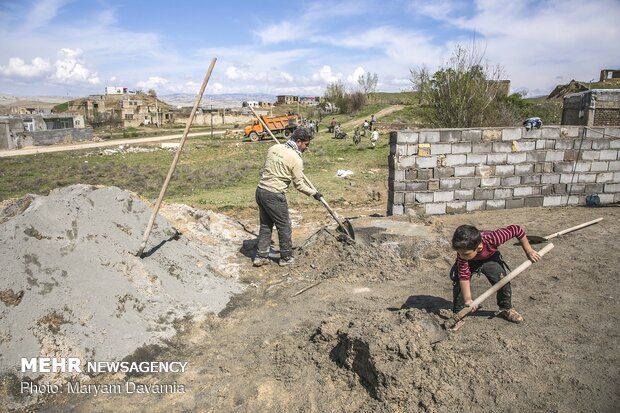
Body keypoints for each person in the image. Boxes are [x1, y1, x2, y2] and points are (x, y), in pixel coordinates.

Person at [448, 224, 541, 331]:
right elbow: (464, 277)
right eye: (458, 252)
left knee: (503, 281)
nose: (460, 255)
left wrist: (529, 250)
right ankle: (458, 315)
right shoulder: (462, 257)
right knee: (458, 282)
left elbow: (516, 230)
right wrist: (468, 299)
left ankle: (506, 308)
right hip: (470, 262)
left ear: (478, 247)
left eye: (464, 253)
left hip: (490, 258)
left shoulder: (494, 238)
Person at [254, 128, 323, 267]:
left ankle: (261, 256)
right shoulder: (296, 159)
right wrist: (314, 193)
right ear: (299, 141)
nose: (307, 148)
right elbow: (299, 185)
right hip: (274, 195)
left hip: (261, 191)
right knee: (284, 226)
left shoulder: (274, 148)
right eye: (306, 144)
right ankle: (286, 257)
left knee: (266, 225)